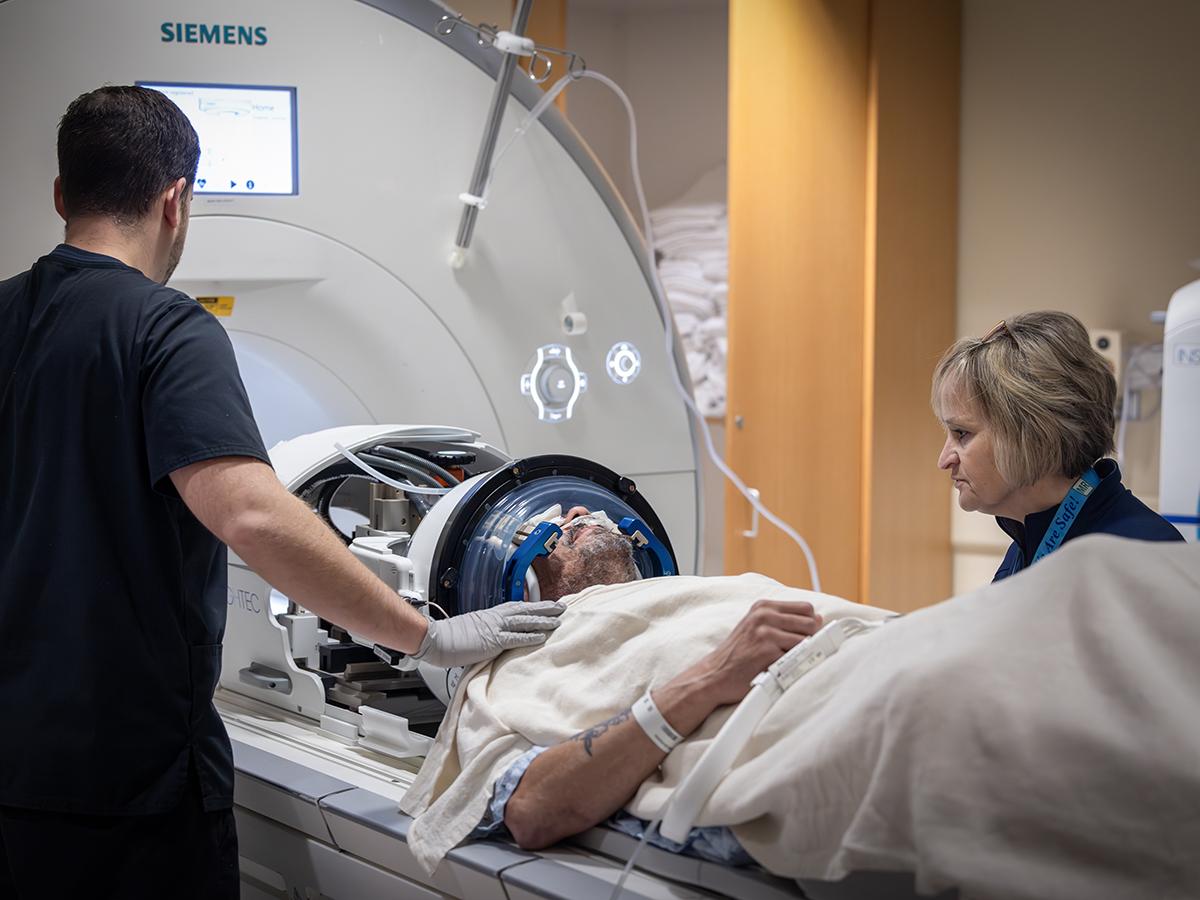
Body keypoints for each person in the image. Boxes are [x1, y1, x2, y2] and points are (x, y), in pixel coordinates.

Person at [0, 85, 562, 899]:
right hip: (125, 782)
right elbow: (254, 515)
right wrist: (427, 638)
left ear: (61, 195)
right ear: (176, 200)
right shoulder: (165, 328)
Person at [931, 311, 1183, 581]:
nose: (944, 460)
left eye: (962, 433)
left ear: (1032, 435)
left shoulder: (1144, 559)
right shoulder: (1028, 539)